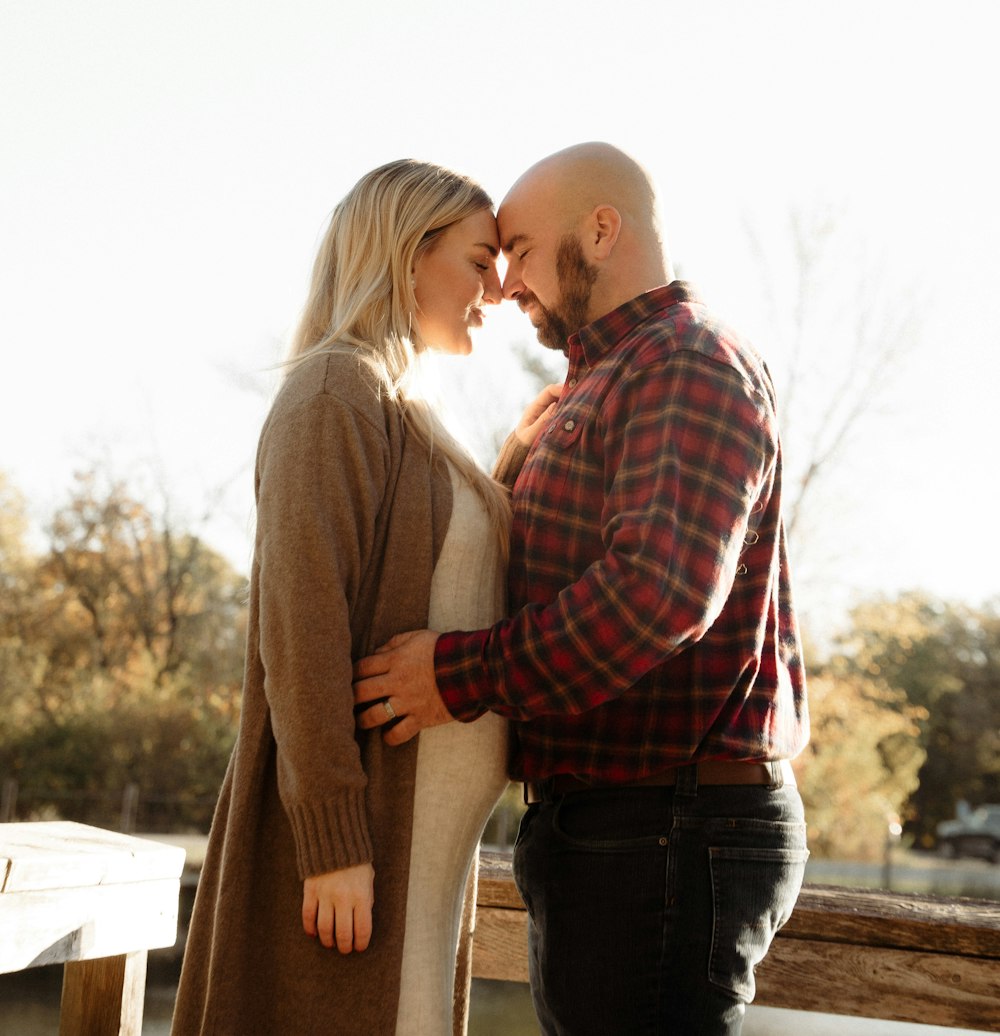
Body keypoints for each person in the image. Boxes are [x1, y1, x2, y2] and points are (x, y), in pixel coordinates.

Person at [354, 141, 811, 1036]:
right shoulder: (605, 383)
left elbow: (657, 596)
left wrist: (456, 677)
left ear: (602, 231)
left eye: (518, 251)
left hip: (667, 826)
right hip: (625, 826)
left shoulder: (681, 361)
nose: (503, 285)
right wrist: (511, 473)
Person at [172, 159, 557, 1036]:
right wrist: (335, 842)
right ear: (405, 254)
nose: (497, 289)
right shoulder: (333, 389)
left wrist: (506, 466)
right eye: (479, 257)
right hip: (360, 846)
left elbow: (440, 573)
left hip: (419, 846)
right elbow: (299, 628)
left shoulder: (404, 404)